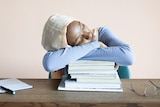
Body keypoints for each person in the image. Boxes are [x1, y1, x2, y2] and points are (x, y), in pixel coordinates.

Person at [41, 14, 134, 74]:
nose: (88, 34)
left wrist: (72, 55)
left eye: (82, 27)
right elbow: (49, 64)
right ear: (67, 47)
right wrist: (95, 45)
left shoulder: (102, 33)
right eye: (79, 39)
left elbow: (128, 56)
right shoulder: (97, 42)